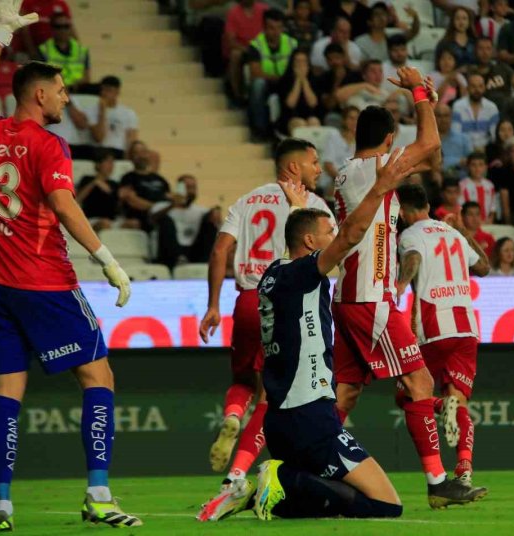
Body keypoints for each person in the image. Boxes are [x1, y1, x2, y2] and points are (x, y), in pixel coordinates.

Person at [0, 2, 138, 530]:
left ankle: (2, 506)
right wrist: (108, 260)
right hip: (43, 280)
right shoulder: (49, 145)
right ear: (39, 95)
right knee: (98, 376)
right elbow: (64, 206)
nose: (67, 97)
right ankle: (99, 496)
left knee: (7, 389)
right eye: (62, 90)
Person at [214, 148, 423, 523]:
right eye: (329, 232)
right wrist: (381, 187)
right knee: (386, 506)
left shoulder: (273, 273)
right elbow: (353, 234)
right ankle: (281, 478)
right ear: (310, 243)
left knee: (316, 504)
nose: (335, 236)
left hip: (279, 421)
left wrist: (298, 208)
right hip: (310, 416)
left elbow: (295, 241)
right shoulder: (303, 274)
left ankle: (259, 493)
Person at [332, 68, 485, 507]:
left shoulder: (352, 171)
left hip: (350, 295)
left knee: (346, 393)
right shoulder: (374, 168)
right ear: (388, 140)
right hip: (369, 296)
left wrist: (429, 107)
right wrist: (419, 90)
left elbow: (431, 161)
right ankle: (438, 482)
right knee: (420, 379)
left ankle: (310, 463)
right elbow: (431, 146)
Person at [195, 139, 334, 521]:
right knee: (269, 397)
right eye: (313, 162)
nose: (318, 169)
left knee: (242, 379)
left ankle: (232, 415)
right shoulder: (314, 209)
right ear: (294, 167)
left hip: (245, 301)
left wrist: (212, 305)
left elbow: (219, 250)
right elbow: (330, 255)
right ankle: (236, 475)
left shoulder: (247, 201)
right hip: (283, 304)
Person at [396, 183, 491, 486]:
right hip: (466, 328)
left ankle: (439, 407)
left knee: (407, 395)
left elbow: (413, 257)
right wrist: (463, 230)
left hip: (433, 326)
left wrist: (402, 283)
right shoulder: (453, 233)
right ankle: (464, 469)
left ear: (403, 211)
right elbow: (484, 267)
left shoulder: (410, 234)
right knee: (459, 402)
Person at [246, 9, 299, 138]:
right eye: (271, 28)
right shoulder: (256, 45)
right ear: (264, 28)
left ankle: (287, 128)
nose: (276, 32)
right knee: (258, 84)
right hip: (267, 83)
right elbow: (255, 73)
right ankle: (259, 129)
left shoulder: (292, 43)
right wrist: (276, 78)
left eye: (279, 28)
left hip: (286, 81)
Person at [118, 141, 170, 231]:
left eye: (143, 152)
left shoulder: (160, 179)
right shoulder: (127, 178)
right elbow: (131, 200)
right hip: (142, 218)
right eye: (136, 153)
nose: (141, 156)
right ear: (131, 157)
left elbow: (169, 196)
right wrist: (157, 208)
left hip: (164, 216)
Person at [225, 0, 270, 102]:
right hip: (243, 49)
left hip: (263, 47)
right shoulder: (233, 13)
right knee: (235, 54)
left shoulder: (264, 10)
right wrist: (249, 50)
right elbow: (231, 41)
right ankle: (237, 95)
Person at [87, 76, 139, 159]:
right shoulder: (91, 111)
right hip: (99, 150)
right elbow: (99, 138)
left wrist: (128, 158)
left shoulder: (128, 113)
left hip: (119, 151)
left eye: (108, 90)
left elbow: (131, 139)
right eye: (102, 90)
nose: (104, 93)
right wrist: (102, 112)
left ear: (117, 92)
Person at [275, 49, 322, 135]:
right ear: (292, 63)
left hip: (309, 115)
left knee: (314, 122)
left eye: (304, 61)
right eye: (298, 61)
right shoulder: (285, 80)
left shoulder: (314, 80)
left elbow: (313, 103)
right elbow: (290, 104)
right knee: (300, 124)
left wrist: (304, 80)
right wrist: (298, 80)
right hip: (289, 118)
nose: (301, 64)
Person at [37, 14, 90, 90]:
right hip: (55, 91)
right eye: (58, 27)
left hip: (79, 90)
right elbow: (42, 78)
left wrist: (73, 86)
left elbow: (87, 77)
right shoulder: (43, 50)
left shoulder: (82, 50)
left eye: (66, 26)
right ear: (52, 29)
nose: (63, 30)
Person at [451, 72, 500, 152]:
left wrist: (485, 149)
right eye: (473, 86)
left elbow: (494, 136)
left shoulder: (492, 107)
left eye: (480, 86)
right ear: (467, 88)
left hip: (486, 151)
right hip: (463, 150)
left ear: (484, 88)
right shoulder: (458, 106)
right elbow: (456, 134)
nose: (477, 90)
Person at [75, 150, 120, 232]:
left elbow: (117, 205)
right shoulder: (87, 179)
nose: (111, 165)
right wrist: (94, 183)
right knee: (104, 224)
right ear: (98, 164)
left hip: (112, 220)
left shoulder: (114, 184)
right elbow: (77, 199)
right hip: (91, 219)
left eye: (112, 163)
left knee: (134, 223)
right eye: (108, 162)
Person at [474, 37, 514, 113]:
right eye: (481, 49)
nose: (485, 53)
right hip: (483, 114)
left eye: (488, 49)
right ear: (475, 51)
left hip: (506, 113)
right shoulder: (470, 72)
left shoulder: (503, 68)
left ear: (493, 51)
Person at [320, 106, 358, 193]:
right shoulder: (334, 136)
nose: (355, 122)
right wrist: (343, 181)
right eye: (351, 118)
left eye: (357, 118)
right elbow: (328, 165)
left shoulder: (362, 140)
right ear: (344, 120)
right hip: (333, 179)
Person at [458, 152, 497, 223]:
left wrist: (490, 219)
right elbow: (460, 208)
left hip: (487, 223)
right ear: (468, 167)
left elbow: (493, 207)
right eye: (473, 165)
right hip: (468, 224)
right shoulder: (462, 185)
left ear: (485, 167)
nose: (477, 168)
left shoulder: (490, 185)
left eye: (481, 165)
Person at [437, 103, 473, 175]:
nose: (443, 119)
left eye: (446, 116)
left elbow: (471, 162)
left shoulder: (463, 138)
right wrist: (458, 161)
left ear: (451, 118)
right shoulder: (428, 140)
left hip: (460, 179)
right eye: (439, 116)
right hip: (435, 177)